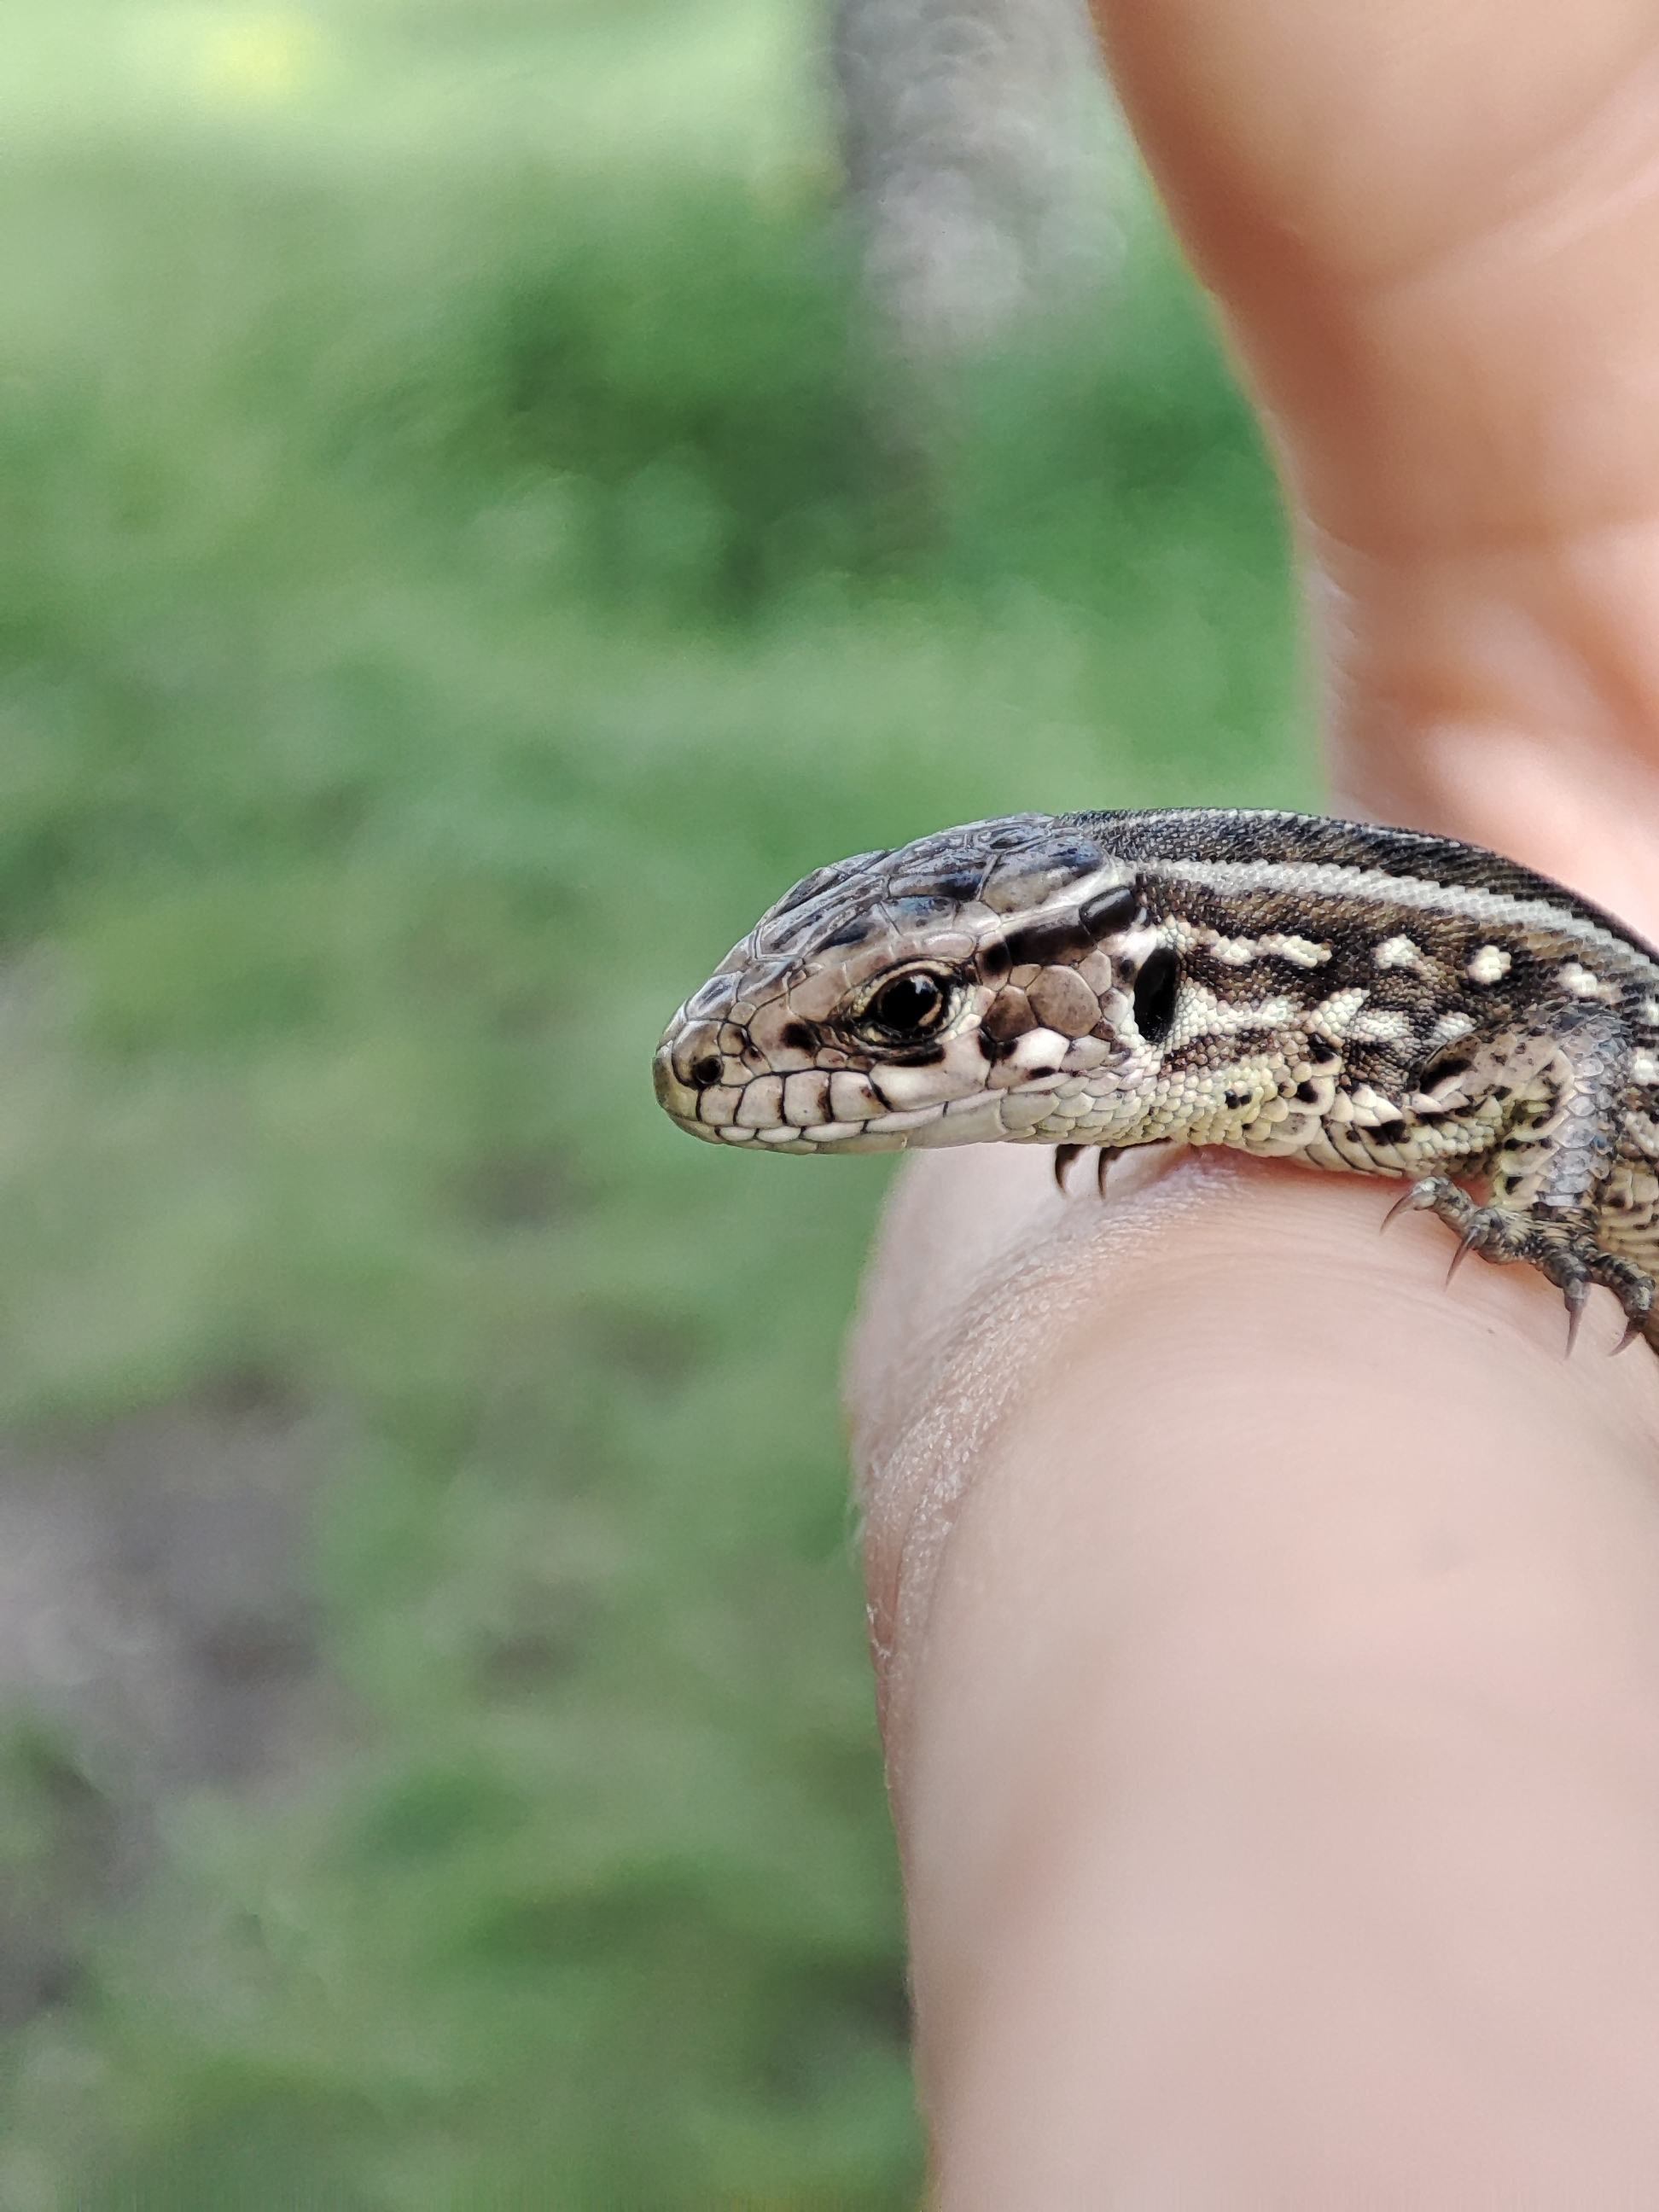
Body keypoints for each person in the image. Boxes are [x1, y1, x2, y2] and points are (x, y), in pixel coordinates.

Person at [847, 1, 1659, 2198]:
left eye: (898, 1025)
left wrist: (1554, 1203)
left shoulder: (1367, 1017)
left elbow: (1576, 1047)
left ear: (1117, 986)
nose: (815, 1076)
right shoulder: (1272, 1040)